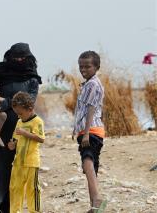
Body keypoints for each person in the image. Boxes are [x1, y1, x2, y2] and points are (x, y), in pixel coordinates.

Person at [0, 43, 42, 213]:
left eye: (22, 57)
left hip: (19, 132)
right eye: (15, 57)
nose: (18, 60)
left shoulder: (32, 79)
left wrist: (2, 101)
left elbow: (27, 103)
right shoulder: (1, 72)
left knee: (13, 173)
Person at [72, 51, 107, 213]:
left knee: (87, 160)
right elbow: (82, 109)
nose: (83, 69)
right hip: (90, 129)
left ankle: (97, 198)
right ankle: (94, 205)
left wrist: (85, 133)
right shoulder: (87, 84)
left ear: (96, 67)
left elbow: (92, 108)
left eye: (87, 66)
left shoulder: (93, 84)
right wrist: (76, 129)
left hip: (91, 130)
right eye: (81, 66)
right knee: (91, 166)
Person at [7, 92, 45, 213]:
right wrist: (11, 145)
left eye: (20, 113)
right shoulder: (19, 122)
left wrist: (25, 133)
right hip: (18, 162)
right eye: (17, 114)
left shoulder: (37, 121)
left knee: (32, 189)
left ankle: (34, 211)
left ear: (30, 109)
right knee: (14, 188)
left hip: (31, 162)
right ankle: (15, 211)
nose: (19, 116)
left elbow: (41, 138)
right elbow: (14, 140)